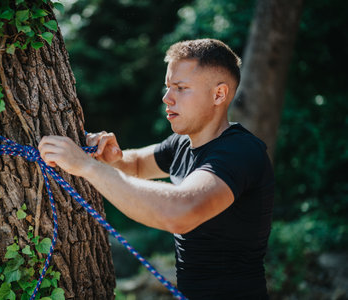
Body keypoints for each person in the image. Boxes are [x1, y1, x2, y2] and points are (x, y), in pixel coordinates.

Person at [38, 38, 274, 299]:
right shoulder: (182, 144)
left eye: (181, 88)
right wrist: (111, 157)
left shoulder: (240, 152)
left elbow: (180, 212)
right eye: (167, 87)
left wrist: (86, 167)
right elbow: (137, 164)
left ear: (219, 94)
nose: (167, 98)